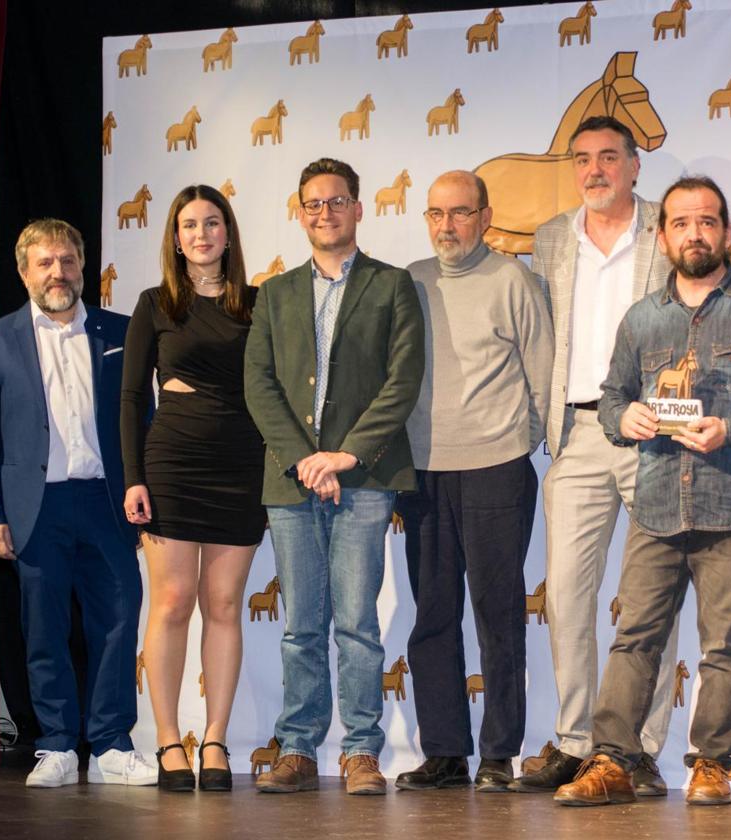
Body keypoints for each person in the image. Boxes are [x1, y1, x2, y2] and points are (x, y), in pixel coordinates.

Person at [554, 176, 731, 807]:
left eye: (706, 221)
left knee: (724, 642)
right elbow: (613, 397)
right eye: (681, 223)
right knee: (635, 636)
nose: (694, 233)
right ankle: (612, 760)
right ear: (663, 234)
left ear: (725, 231)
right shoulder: (642, 319)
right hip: (659, 501)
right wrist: (624, 419)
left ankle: (713, 764)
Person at [509, 115, 681, 796]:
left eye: (609, 157)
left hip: (653, 432)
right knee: (568, 598)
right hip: (577, 433)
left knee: (652, 598)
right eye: (583, 159)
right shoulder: (552, 238)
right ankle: (578, 740)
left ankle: (637, 748)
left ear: (635, 166)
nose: (594, 170)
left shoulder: (670, 228)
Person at [244, 157, 424, 795]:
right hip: (290, 482)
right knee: (300, 625)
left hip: (366, 480)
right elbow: (259, 385)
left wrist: (346, 456)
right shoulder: (274, 293)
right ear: (300, 213)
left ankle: (360, 752)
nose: (326, 213)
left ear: (358, 208)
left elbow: (403, 381)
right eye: (314, 203)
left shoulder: (394, 285)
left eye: (338, 201)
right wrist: (303, 458)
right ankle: (295, 747)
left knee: (357, 623)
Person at [0, 219, 155, 787]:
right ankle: (56, 746)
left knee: (118, 622)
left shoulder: (120, 331)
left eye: (68, 260)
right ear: (24, 272)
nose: (58, 272)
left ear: (82, 266)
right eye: (45, 262)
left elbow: (144, 421)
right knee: (43, 628)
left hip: (106, 503)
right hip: (35, 509)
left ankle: (113, 746)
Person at [394, 170, 553, 793]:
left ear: (485, 218)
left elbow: (542, 374)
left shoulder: (512, 279)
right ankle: (445, 752)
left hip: (497, 466)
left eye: (460, 213)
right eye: (436, 214)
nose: (446, 226)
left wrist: (520, 441)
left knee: (498, 611)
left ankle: (497, 754)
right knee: (433, 614)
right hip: (424, 471)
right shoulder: (409, 282)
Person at [120, 185, 264, 791]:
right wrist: (133, 478)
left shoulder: (259, 304)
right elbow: (131, 397)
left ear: (228, 234)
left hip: (241, 468)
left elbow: (272, 388)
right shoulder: (155, 304)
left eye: (212, 222)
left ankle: (216, 741)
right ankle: (167, 743)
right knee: (174, 602)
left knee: (225, 605)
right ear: (175, 239)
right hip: (173, 466)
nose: (201, 234)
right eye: (189, 225)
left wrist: (199, 391)